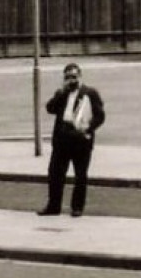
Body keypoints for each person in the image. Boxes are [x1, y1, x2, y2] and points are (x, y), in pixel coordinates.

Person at [38, 62, 106, 217]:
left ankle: (77, 207)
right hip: (62, 139)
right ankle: (53, 206)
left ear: (80, 76)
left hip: (80, 140)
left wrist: (88, 128)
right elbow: (50, 108)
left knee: (80, 174)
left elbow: (100, 116)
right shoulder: (62, 93)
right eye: (68, 77)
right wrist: (62, 91)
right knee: (55, 173)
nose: (72, 80)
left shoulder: (90, 93)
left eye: (74, 77)